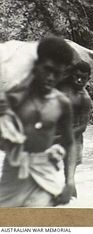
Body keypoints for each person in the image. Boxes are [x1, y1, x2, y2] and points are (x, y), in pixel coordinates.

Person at [0, 36, 76, 207]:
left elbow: (70, 143)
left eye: (56, 73)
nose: (50, 77)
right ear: (36, 66)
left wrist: (69, 182)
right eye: (47, 70)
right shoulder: (13, 99)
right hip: (13, 172)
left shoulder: (62, 103)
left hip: (44, 173)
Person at [57, 61, 92, 166]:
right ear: (71, 74)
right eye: (77, 76)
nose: (79, 80)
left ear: (88, 79)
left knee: (69, 178)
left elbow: (83, 127)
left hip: (73, 138)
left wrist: (61, 137)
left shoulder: (85, 98)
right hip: (54, 134)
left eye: (83, 78)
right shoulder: (62, 87)